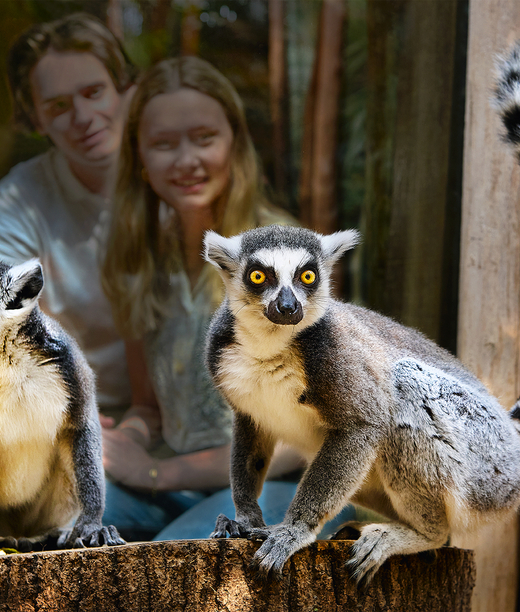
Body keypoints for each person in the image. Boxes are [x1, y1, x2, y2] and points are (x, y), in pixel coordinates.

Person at [100, 56, 355, 540]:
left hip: (280, 481)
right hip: (175, 480)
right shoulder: (136, 262)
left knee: (179, 565)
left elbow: (311, 434)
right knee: (69, 519)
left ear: (234, 144)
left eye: (204, 138)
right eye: (163, 144)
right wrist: (118, 442)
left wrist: (157, 474)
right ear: (140, 158)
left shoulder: (289, 259)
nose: (186, 159)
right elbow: (149, 408)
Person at [0, 13, 135, 409]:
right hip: (68, 414)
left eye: (94, 92)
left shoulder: (180, 180)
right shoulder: (12, 206)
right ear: (35, 119)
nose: (82, 117)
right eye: (58, 106)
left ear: (123, 90)